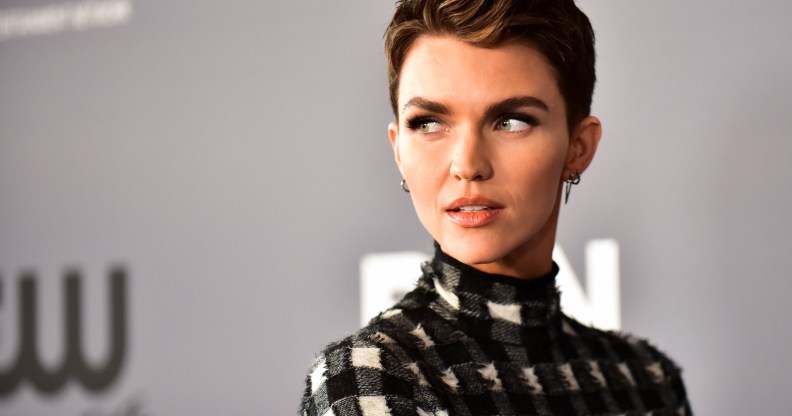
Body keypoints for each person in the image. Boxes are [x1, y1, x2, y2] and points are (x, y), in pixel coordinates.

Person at [300, 0, 691, 414]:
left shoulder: (647, 380)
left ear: (578, 148)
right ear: (399, 149)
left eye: (510, 121)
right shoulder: (371, 373)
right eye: (428, 123)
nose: (468, 165)